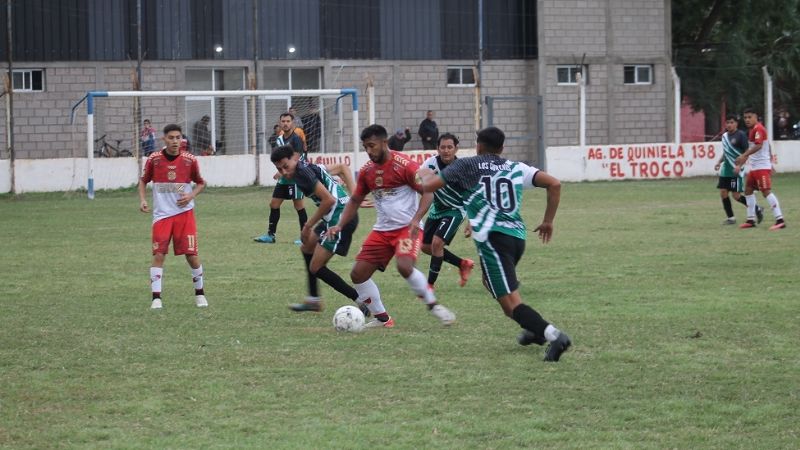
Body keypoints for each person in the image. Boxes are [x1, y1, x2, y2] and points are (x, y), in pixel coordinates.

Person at [418, 126, 572, 362]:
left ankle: (554, 335)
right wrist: (548, 221)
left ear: (478, 146)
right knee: (494, 287)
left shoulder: (466, 165)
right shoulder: (515, 167)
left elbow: (428, 187)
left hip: (493, 241)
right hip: (517, 238)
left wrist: (405, 177)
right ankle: (534, 330)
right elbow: (555, 184)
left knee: (510, 303)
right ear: (501, 148)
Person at [327, 124, 456, 328]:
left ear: (384, 143)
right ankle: (382, 319)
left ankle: (434, 306)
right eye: (365, 147)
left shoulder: (405, 165)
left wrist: (416, 219)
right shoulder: (368, 171)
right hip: (382, 230)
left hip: (407, 228)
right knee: (358, 274)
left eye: (372, 146)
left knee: (404, 266)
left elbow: (428, 193)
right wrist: (339, 225)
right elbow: (354, 200)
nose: (369, 151)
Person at [270, 145, 370, 317]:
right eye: (279, 168)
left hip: (340, 218)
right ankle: (314, 300)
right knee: (307, 247)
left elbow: (328, 201)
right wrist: (355, 198)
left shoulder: (302, 174)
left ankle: (360, 299)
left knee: (316, 267)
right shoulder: (307, 166)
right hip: (334, 216)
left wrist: (307, 226)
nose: (284, 172)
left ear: (294, 157)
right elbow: (342, 168)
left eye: (285, 166)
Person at [137, 124, 208, 310]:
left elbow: (201, 183)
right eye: (171, 137)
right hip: (162, 216)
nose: (175, 141)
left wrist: (190, 195)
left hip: (184, 214)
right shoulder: (154, 159)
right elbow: (143, 181)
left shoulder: (190, 160)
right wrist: (143, 200)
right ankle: (156, 298)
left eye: (178, 137)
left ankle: (200, 294)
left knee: (191, 255)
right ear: (164, 139)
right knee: (159, 254)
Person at [420, 133, 474, 288]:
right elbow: (421, 184)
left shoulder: (463, 169)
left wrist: (471, 221)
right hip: (437, 208)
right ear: (437, 148)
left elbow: (471, 195)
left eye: (449, 147)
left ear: (456, 149)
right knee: (425, 247)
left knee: (437, 243)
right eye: (442, 147)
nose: (446, 150)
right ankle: (462, 263)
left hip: (455, 210)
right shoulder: (430, 164)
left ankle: (429, 285)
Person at [255, 112, 308, 244]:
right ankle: (270, 235)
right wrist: (281, 171)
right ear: (280, 123)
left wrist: (282, 171)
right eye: (283, 121)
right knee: (274, 204)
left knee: (299, 206)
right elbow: (278, 157)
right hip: (285, 177)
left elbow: (296, 158)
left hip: (296, 176)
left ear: (292, 123)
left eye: (288, 121)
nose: (285, 123)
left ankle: (304, 237)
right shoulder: (279, 139)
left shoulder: (296, 139)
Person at [735, 108, 787, 230]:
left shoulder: (758, 128)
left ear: (756, 117)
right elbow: (766, 144)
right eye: (745, 117)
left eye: (749, 117)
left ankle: (780, 220)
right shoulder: (753, 130)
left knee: (766, 191)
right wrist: (770, 160)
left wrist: (744, 155)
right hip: (754, 167)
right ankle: (751, 220)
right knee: (748, 191)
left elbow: (759, 145)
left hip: (761, 167)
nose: (747, 120)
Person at [714, 115, 763, 225]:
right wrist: (719, 162)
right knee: (723, 192)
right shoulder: (725, 136)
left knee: (736, 196)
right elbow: (726, 152)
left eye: (731, 122)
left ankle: (757, 208)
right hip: (726, 170)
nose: (729, 125)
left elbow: (746, 154)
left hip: (735, 171)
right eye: (727, 122)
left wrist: (739, 166)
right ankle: (731, 218)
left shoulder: (741, 135)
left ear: (736, 123)